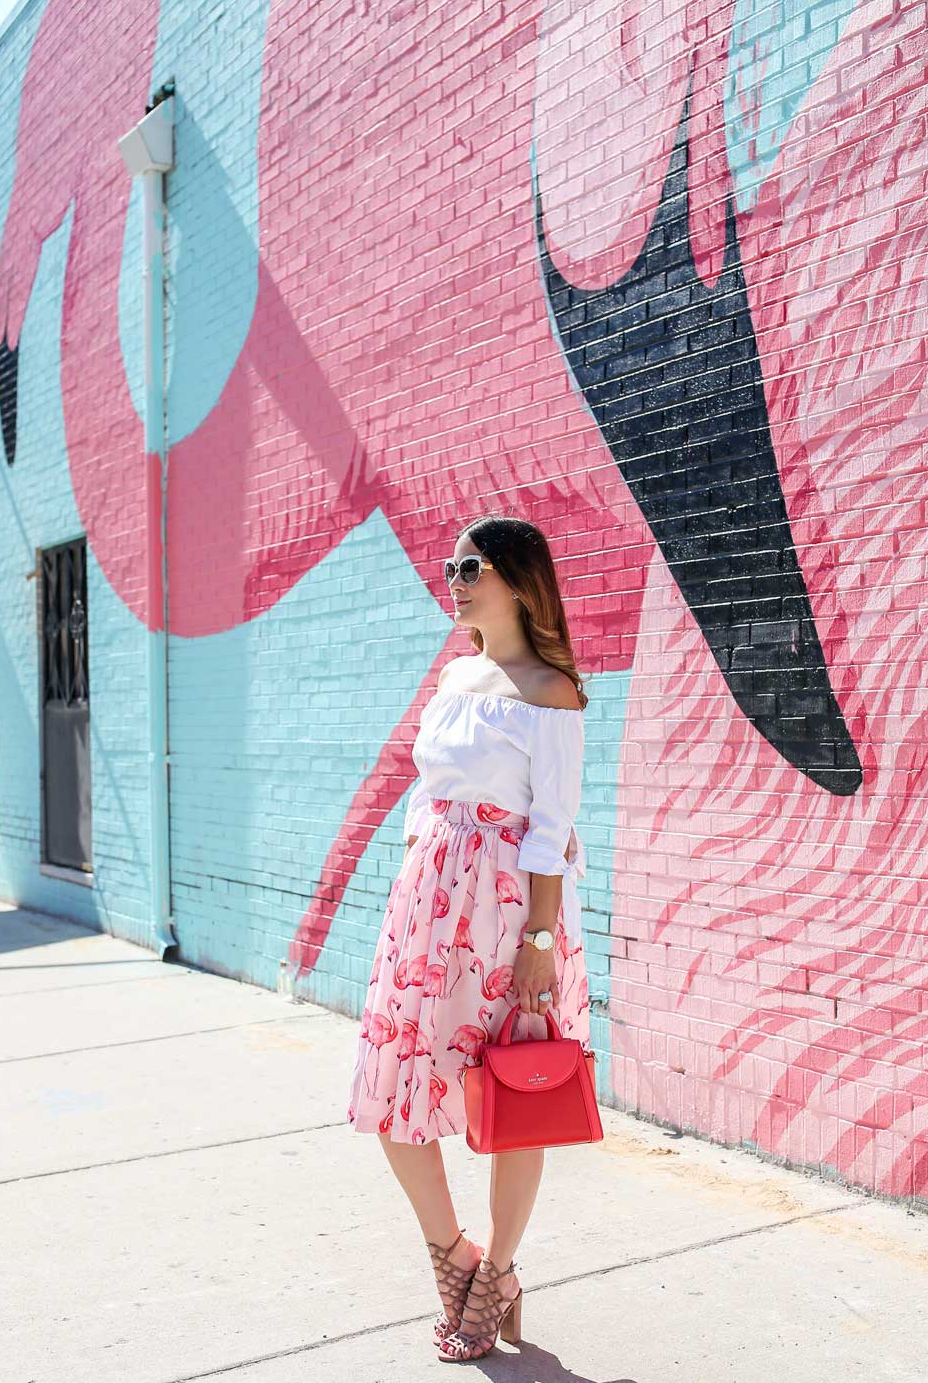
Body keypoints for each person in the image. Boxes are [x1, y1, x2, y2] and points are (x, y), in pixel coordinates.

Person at [346, 514, 592, 1362]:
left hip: (507, 917)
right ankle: (454, 1255)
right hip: (429, 906)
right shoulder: (456, 674)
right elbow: (427, 786)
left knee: (515, 1098)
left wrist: (542, 939)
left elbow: (553, 828)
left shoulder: (550, 691)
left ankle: (498, 1276)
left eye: (471, 566)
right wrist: (420, 857)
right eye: (451, 566)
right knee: (391, 1086)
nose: (454, 578)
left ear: (520, 581)